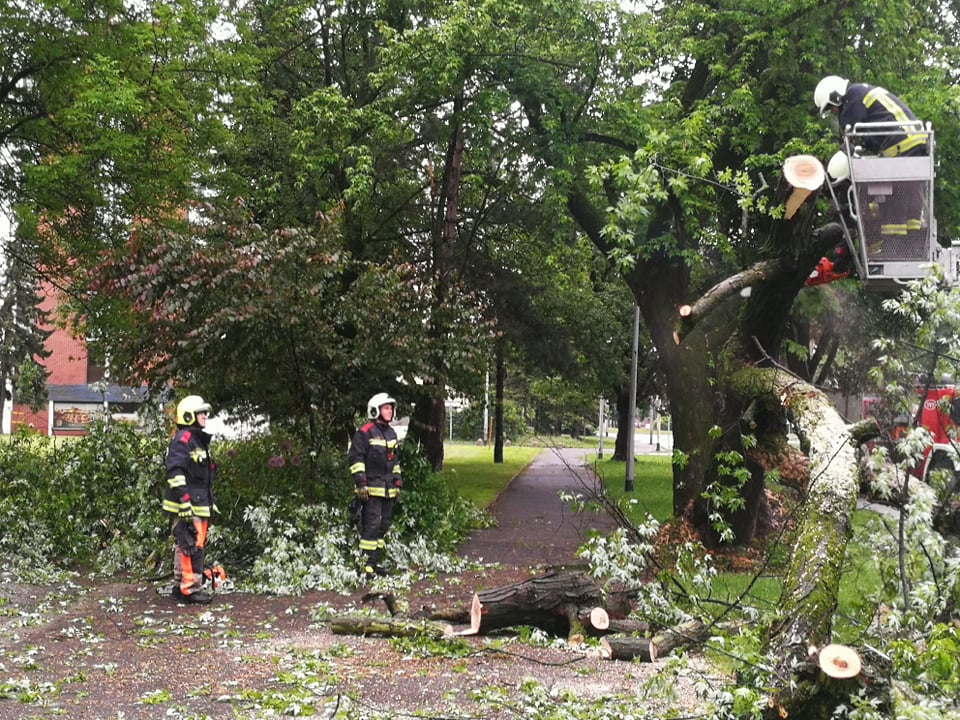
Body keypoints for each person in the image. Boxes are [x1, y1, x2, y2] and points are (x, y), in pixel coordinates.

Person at [813, 76, 929, 240]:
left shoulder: (853, 96)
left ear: (836, 95)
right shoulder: (863, 92)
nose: (833, 111)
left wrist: (841, 159)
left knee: (893, 199)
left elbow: (850, 133)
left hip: (902, 144)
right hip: (915, 142)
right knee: (910, 197)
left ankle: (894, 247)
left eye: (832, 107)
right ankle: (913, 241)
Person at [162, 394, 218, 604]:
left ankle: (181, 583)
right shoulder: (183, 440)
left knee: (189, 544)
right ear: (189, 416)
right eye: (201, 412)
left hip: (198, 502)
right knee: (191, 545)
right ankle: (190, 588)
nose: (205, 416)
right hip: (189, 504)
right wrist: (185, 503)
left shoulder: (196, 440)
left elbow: (201, 477)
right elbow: (175, 472)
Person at [348, 392, 402, 578]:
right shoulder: (365, 432)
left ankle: (375, 562)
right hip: (370, 490)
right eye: (386, 407)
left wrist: (397, 484)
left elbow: (395, 462)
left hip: (387, 490)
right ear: (376, 409)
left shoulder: (391, 433)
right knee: (371, 525)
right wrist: (361, 484)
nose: (390, 411)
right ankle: (366, 566)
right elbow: (356, 459)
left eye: (391, 408)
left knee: (383, 526)